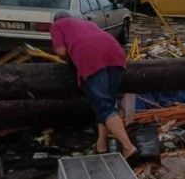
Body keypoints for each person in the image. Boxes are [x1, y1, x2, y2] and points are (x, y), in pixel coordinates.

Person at [50, 11, 137, 158]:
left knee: (103, 106)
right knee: (107, 103)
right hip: (115, 53)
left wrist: (71, 61)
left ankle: (128, 147)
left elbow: (61, 51)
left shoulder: (57, 25)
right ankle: (101, 146)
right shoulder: (88, 23)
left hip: (91, 58)